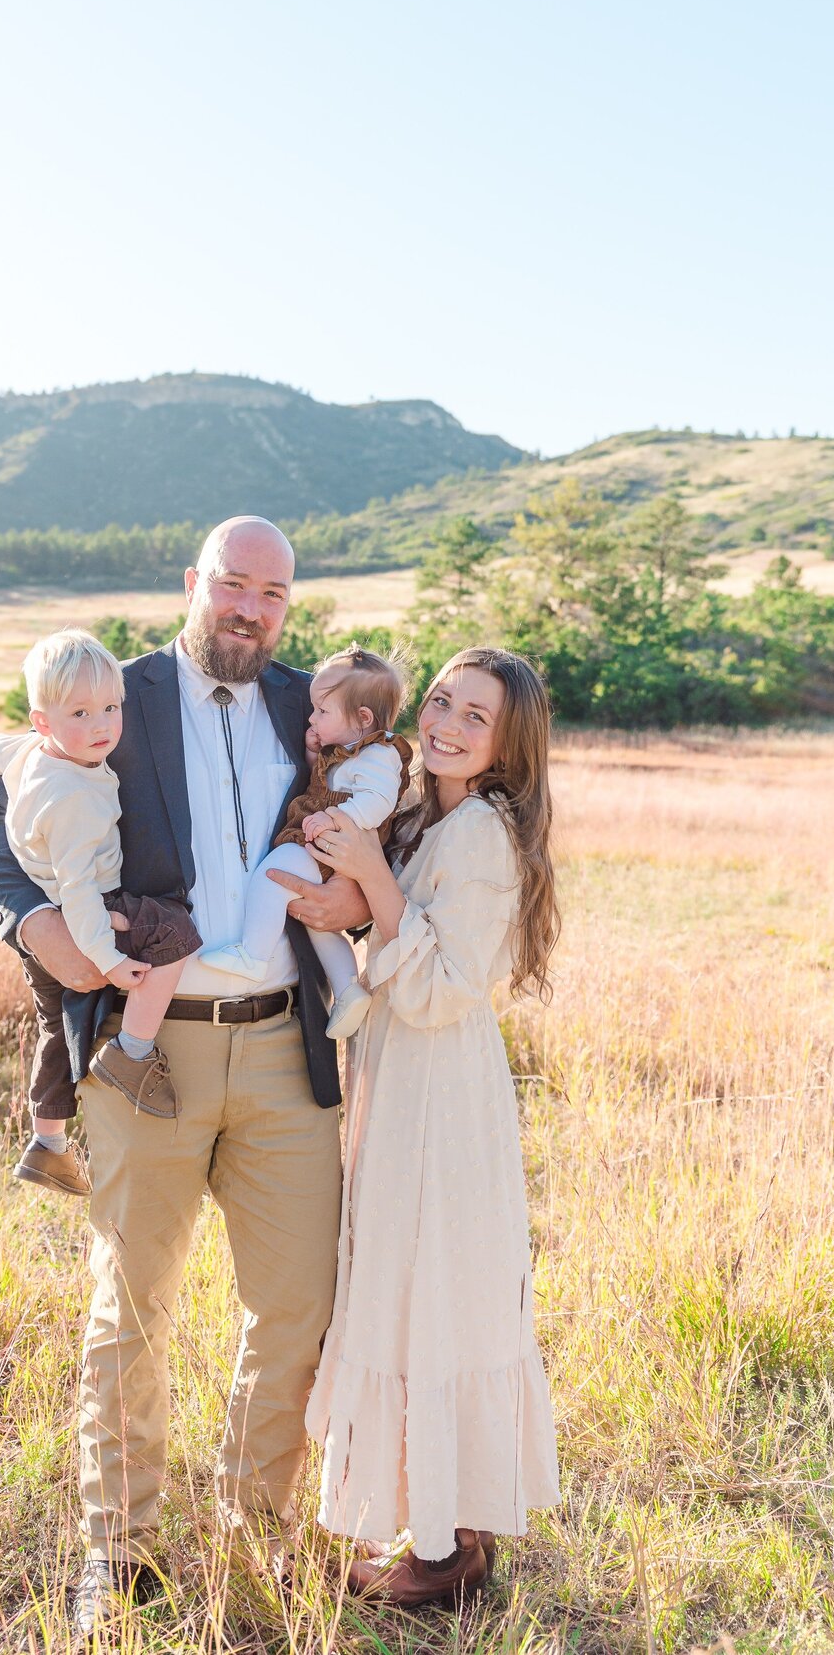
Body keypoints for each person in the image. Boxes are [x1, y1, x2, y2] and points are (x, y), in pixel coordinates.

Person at [0, 517, 367, 1632]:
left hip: (289, 1048)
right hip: (150, 1053)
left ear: (290, 605)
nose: (248, 607)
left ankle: (254, 1528)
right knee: (131, 1308)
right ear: (192, 584)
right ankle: (121, 1555)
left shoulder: (305, 704)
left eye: (271, 593)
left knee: (295, 1308)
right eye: (231, 584)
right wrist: (35, 923)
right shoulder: (111, 693)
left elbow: (390, 809)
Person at [303, 647, 562, 1607]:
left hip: (442, 1091)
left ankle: (451, 1546)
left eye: (475, 717)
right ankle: (440, 1522)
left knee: (438, 1292)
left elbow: (446, 988)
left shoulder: (484, 836)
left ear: (506, 746)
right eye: (443, 702)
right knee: (410, 1286)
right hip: (400, 1075)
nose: (447, 725)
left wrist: (369, 869)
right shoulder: (427, 812)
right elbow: (385, 929)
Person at [0, 628, 203, 1194]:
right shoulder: (75, 798)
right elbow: (77, 889)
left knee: (56, 1023)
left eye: (110, 708)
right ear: (44, 721)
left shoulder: (29, 750)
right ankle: (132, 1053)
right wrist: (109, 957)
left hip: (55, 894)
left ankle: (47, 1140)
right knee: (175, 931)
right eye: (81, 713)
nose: (102, 726)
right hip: (86, 904)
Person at [199, 642, 413, 1039]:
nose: (312, 716)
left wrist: (335, 817)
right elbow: (327, 782)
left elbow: (379, 800)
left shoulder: (381, 754)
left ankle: (254, 954)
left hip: (329, 845)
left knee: (275, 874)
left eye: (322, 711)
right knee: (317, 921)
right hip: (327, 846)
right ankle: (348, 988)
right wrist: (316, 758)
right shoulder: (348, 751)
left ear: (362, 718)